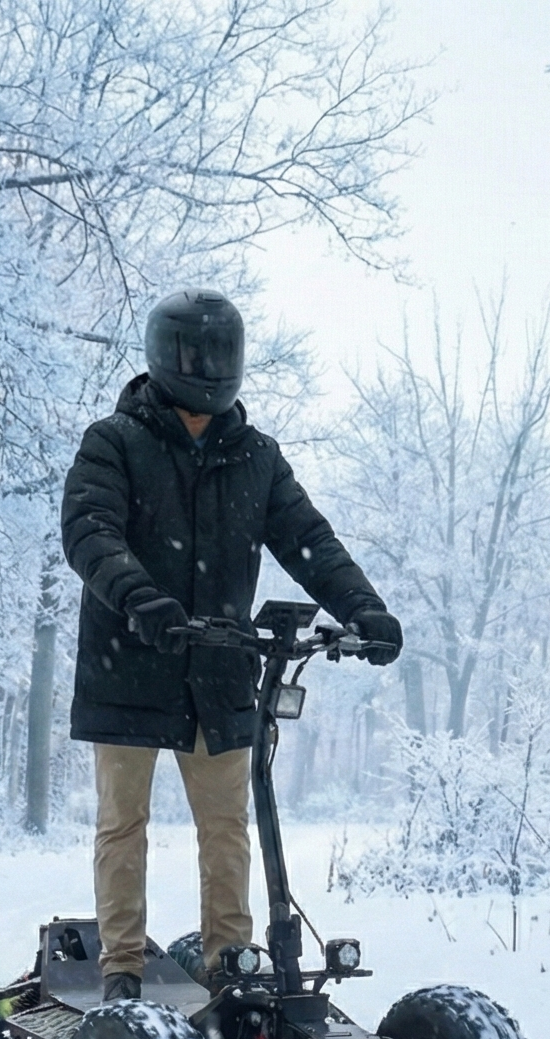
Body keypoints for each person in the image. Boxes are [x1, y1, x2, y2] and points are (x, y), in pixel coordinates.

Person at [60, 290, 402, 1002]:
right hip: (130, 662)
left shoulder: (256, 457)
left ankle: (230, 969)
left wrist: (363, 608)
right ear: (163, 357)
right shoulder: (114, 442)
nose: (208, 367)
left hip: (218, 672)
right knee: (125, 823)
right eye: (194, 354)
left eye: (220, 353)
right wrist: (139, 597)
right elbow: (91, 532)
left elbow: (311, 542)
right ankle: (121, 971)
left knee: (227, 827)